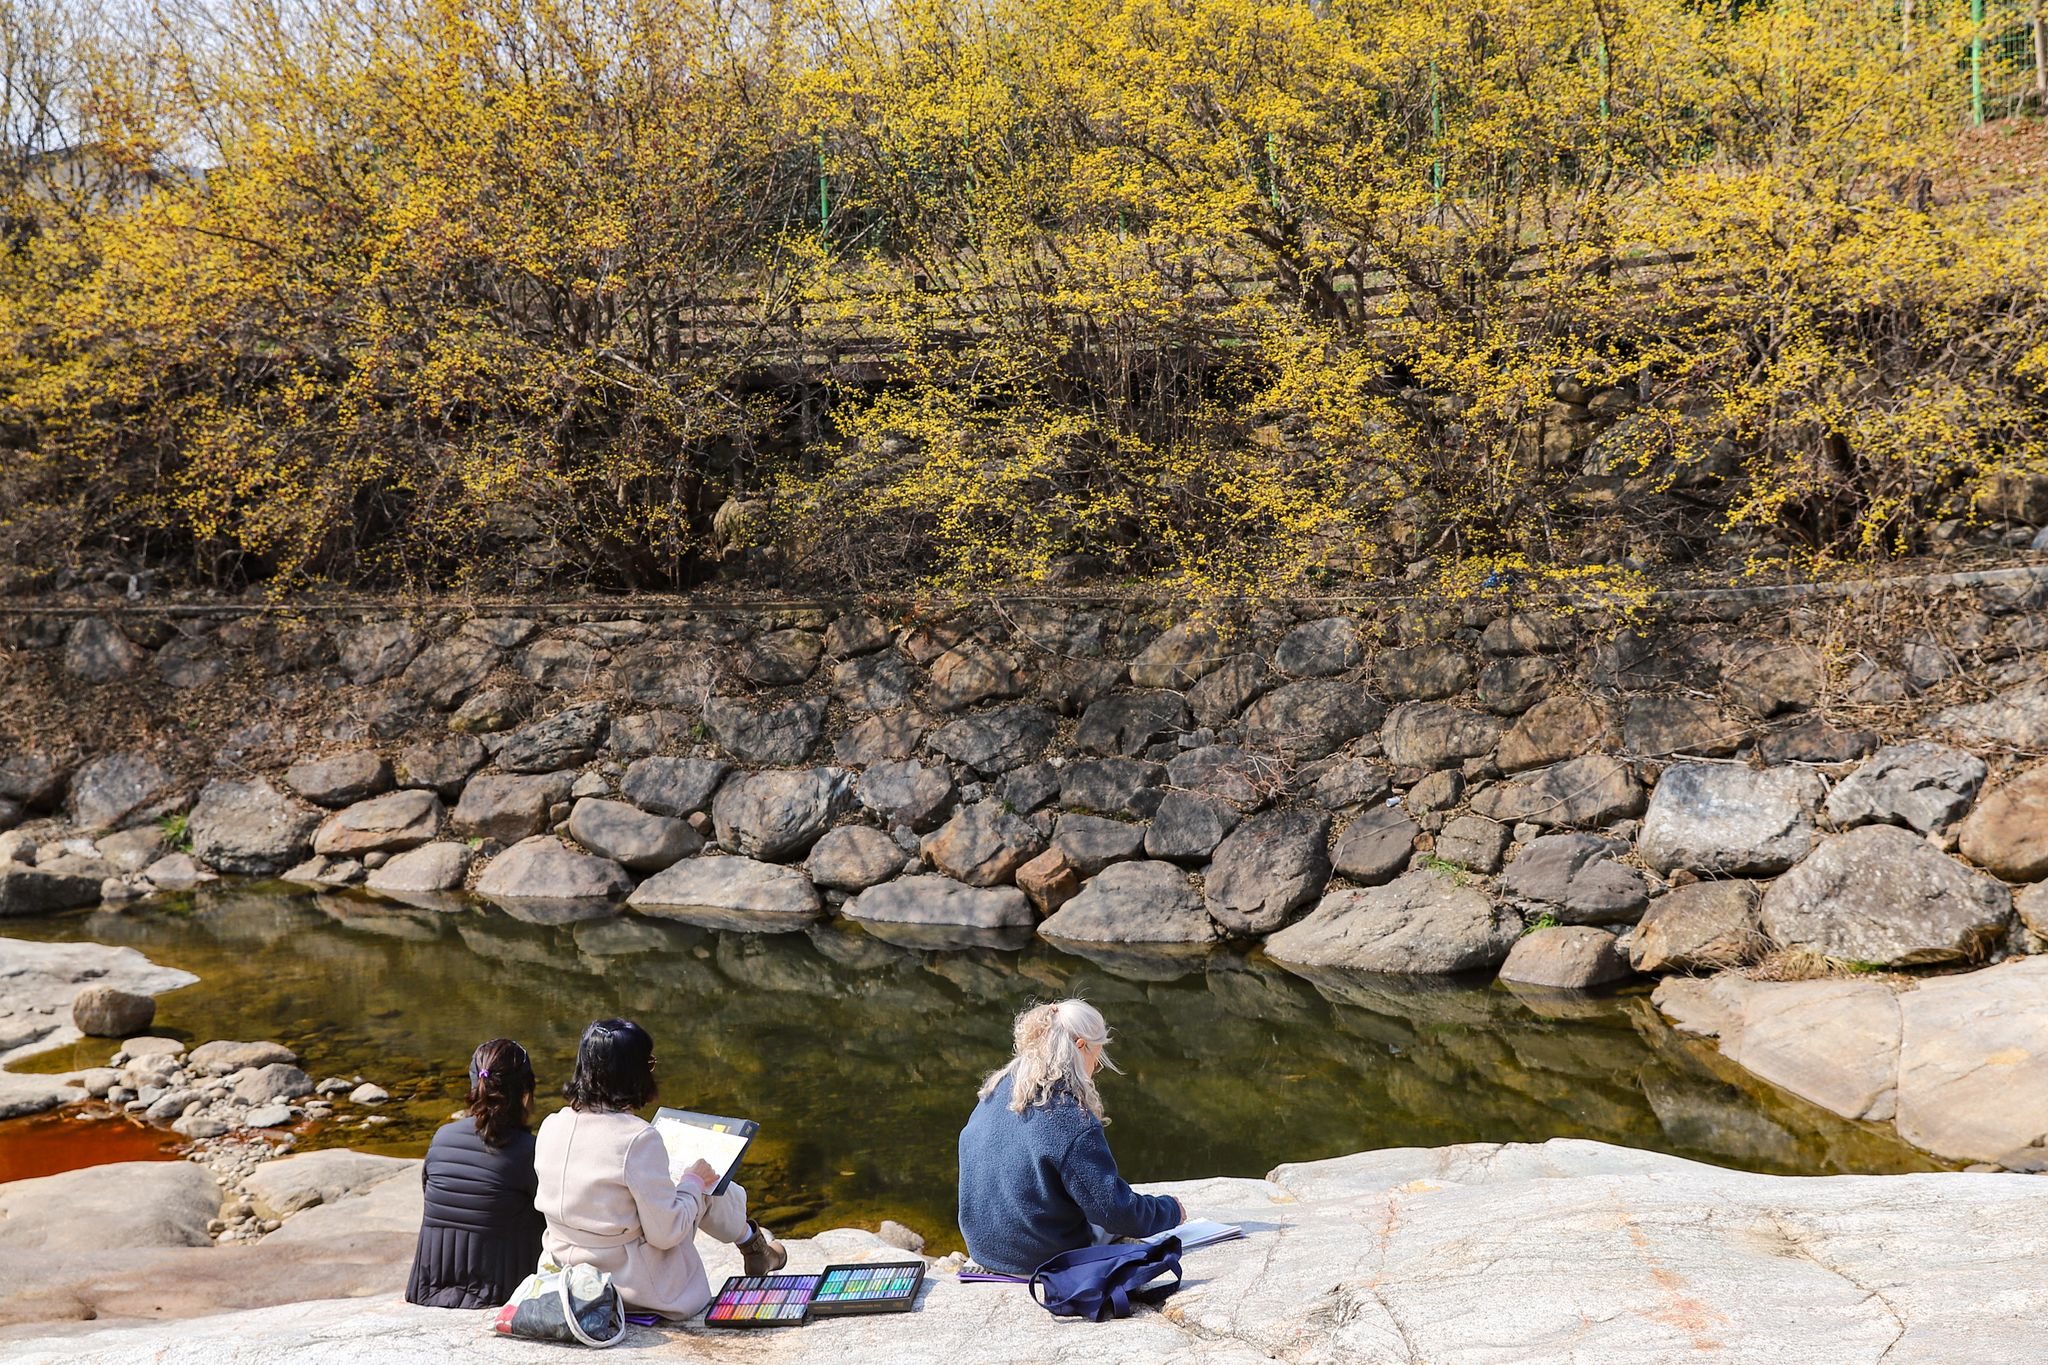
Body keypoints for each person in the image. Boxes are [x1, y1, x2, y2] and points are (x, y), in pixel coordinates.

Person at [533, 1018, 786, 1320]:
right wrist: (693, 1182)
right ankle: (752, 1244)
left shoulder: (551, 1124)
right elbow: (665, 1234)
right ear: (634, 1073)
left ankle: (754, 1245)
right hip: (630, 1285)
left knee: (689, 1182)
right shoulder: (637, 1138)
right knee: (705, 1182)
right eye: (648, 1064)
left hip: (565, 1272)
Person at [957, 999, 1185, 1277]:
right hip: (1040, 1258)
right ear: (1080, 1047)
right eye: (1096, 1059)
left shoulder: (996, 1089)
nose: (1094, 1070)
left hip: (986, 1251)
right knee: (1110, 1218)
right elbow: (1113, 1211)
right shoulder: (1067, 1115)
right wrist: (1169, 1211)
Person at [405, 1037, 546, 1308]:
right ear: (526, 1092)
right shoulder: (528, 1150)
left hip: (429, 1287)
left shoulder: (442, 1137)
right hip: (498, 1291)